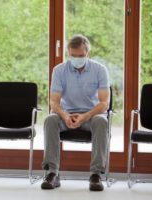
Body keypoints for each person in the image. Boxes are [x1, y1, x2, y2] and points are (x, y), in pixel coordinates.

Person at [41, 34, 110, 191]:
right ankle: (52, 173)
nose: (77, 59)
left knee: (102, 121)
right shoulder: (59, 70)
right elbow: (54, 102)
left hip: (90, 116)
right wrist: (65, 116)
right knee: (50, 120)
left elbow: (104, 103)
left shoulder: (100, 70)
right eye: (73, 56)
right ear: (68, 53)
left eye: (81, 56)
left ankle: (96, 175)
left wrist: (85, 116)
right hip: (66, 115)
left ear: (88, 53)